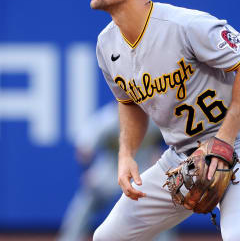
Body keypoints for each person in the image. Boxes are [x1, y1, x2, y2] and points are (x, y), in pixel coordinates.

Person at [69, 0, 240, 241]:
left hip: (239, 146)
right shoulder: (106, 45)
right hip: (179, 159)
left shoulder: (184, 25)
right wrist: (127, 155)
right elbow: (128, 103)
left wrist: (225, 141)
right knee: (107, 238)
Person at [57, 102, 176, 241]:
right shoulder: (108, 119)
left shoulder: (151, 116)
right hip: (111, 168)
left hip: (143, 168)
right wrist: (86, 171)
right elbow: (84, 149)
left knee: (160, 205)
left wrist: (158, 153)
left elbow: (168, 138)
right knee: (87, 199)